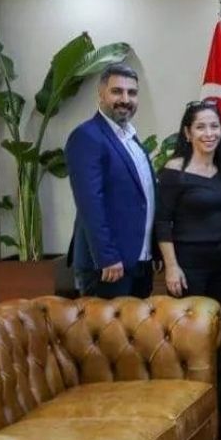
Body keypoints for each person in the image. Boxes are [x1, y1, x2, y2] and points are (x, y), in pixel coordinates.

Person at [154, 100, 221, 440]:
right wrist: (172, 267)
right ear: (188, 132)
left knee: (217, 342)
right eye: (201, 127)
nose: (209, 133)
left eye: (214, 126)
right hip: (187, 265)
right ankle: (193, 425)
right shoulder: (174, 169)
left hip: (220, 263)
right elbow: (163, 222)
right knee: (191, 345)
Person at [66, 63, 156, 298]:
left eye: (132, 93)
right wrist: (107, 256)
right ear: (101, 93)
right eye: (117, 91)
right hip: (109, 267)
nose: (125, 99)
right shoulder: (87, 136)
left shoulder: (132, 140)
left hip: (138, 263)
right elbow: (89, 202)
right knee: (108, 336)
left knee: (135, 335)